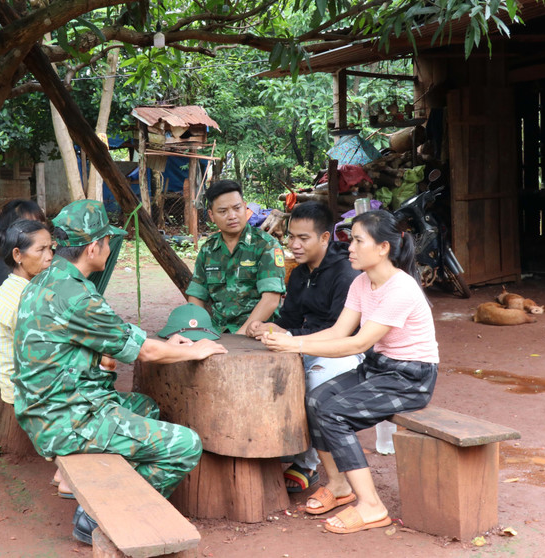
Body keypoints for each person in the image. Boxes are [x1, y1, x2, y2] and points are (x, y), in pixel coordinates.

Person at [12, 199, 226, 545]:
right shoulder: (78, 296)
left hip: (45, 411)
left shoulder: (47, 279)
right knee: (186, 445)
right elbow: (144, 351)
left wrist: (168, 343)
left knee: (146, 407)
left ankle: (101, 490)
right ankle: (99, 516)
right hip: (68, 421)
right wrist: (196, 350)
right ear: (94, 247)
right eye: (108, 242)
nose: (110, 248)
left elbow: (104, 336)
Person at [262, 209, 438, 534]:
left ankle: (371, 504)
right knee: (316, 400)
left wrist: (293, 346)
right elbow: (338, 331)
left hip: (411, 378)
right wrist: (289, 338)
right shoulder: (361, 281)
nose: (350, 248)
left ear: (383, 247)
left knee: (333, 413)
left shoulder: (401, 289)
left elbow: (358, 343)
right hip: (379, 369)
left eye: (358, 240)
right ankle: (340, 485)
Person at [246, 201, 361, 495]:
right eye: (291, 237)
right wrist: (271, 328)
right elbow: (290, 320)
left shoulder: (346, 273)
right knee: (264, 371)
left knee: (314, 383)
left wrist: (289, 335)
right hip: (305, 344)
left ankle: (307, 463)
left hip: (348, 352)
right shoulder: (298, 274)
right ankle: (282, 443)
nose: (294, 245)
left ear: (325, 237)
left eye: (303, 238)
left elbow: (340, 331)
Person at [186, 179, 285, 335]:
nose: (232, 216)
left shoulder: (266, 245)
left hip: (257, 333)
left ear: (245, 207)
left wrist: (239, 336)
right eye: (223, 211)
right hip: (217, 332)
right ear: (211, 215)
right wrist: (198, 329)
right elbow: (196, 296)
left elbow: (271, 300)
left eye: (237, 208)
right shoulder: (208, 249)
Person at [0, 219, 53, 404]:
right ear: (18, 255)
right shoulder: (23, 300)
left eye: (50, 248)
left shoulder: (12, 286)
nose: (49, 256)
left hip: (19, 385)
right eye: (41, 250)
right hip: (25, 393)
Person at [0, 199, 47, 329]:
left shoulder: (26, 267)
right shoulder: (4, 275)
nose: (41, 232)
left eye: (41, 225)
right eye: (32, 226)